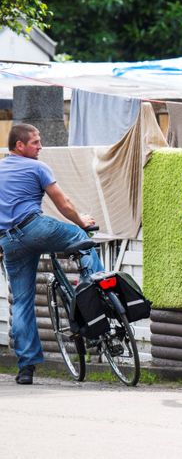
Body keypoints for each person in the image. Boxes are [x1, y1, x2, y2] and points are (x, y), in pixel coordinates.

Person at [0, 124, 103, 385]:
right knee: (81, 239)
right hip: (36, 228)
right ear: (19, 146)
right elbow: (63, 203)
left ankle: (26, 368)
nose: (40, 146)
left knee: (22, 302)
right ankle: (97, 294)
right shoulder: (37, 167)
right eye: (35, 142)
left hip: (10, 241)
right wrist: (82, 221)